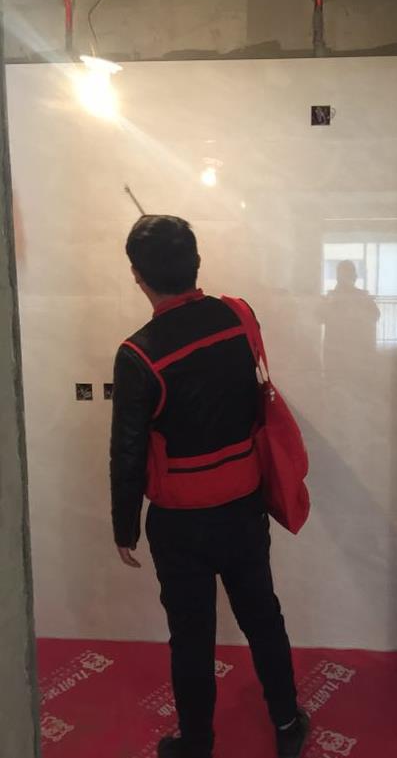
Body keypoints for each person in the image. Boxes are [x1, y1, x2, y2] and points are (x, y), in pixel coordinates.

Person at [110, 215, 309, 758]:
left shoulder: (138, 355)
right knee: (262, 614)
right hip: (243, 502)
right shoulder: (237, 316)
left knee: (191, 634)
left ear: (137, 276)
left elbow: (127, 451)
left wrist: (124, 527)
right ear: (196, 262)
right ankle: (287, 723)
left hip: (179, 520)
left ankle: (197, 743)